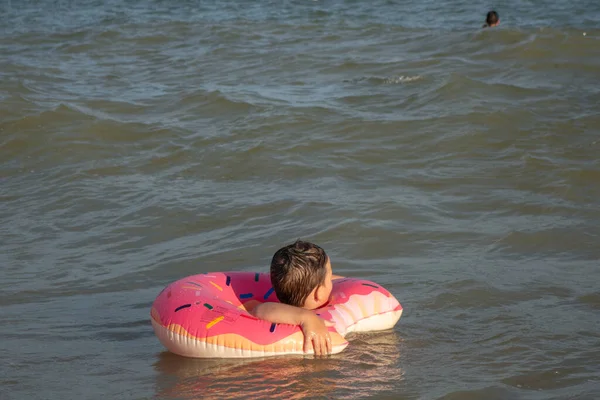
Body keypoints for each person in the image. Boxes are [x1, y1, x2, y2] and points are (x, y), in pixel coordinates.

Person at [250, 240, 344, 357]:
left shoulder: (281, 310)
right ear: (318, 293)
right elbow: (259, 310)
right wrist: (307, 317)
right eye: (329, 279)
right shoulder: (279, 312)